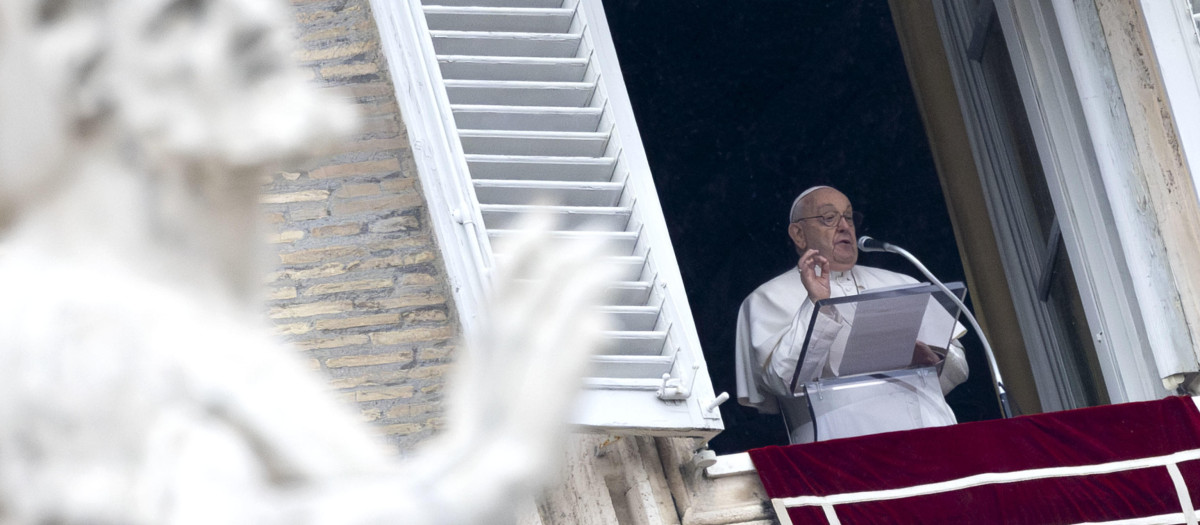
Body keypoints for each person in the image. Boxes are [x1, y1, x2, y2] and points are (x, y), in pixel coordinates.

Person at [735, 185, 968, 444]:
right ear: (798, 234)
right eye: (829, 218)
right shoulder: (766, 298)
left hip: (931, 437)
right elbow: (783, 381)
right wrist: (816, 304)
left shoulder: (902, 283)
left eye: (849, 217)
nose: (845, 226)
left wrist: (935, 362)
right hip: (842, 447)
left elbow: (959, 365)